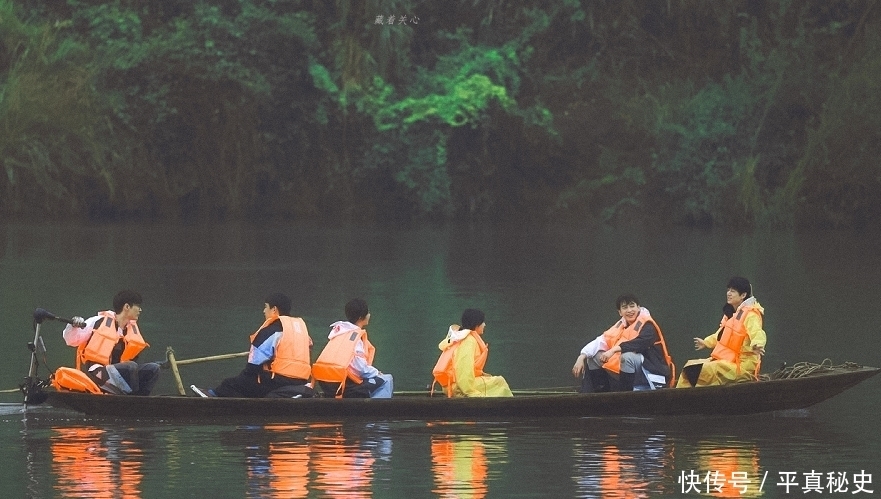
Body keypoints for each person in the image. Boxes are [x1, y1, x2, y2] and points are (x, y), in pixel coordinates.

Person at [191, 293, 313, 398]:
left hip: (276, 382)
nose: (264, 311)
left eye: (266, 307)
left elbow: (253, 366)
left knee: (229, 384)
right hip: (301, 381)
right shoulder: (302, 332)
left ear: (274, 309)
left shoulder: (271, 331)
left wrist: (241, 381)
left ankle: (213, 394)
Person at [62, 289, 160, 395]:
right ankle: (132, 400)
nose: (140, 310)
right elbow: (71, 340)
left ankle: (141, 399)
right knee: (131, 366)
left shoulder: (131, 329)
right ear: (127, 307)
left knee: (154, 368)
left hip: (120, 374)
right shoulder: (98, 321)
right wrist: (73, 326)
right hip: (97, 373)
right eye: (137, 306)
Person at [571, 294, 673, 392]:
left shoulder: (648, 324)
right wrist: (582, 356)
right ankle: (601, 394)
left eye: (632, 306)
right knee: (595, 356)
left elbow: (639, 343)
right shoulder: (621, 325)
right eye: (625, 308)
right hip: (628, 373)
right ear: (620, 312)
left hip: (654, 372)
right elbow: (600, 341)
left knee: (627, 357)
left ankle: (624, 396)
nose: (629, 310)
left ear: (638, 307)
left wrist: (613, 350)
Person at [676, 277, 766, 388]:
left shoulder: (751, 315)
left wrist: (757, 344)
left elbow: (757, 332)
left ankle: (697, 399)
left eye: (733, 291)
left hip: (742, 368)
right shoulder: (731, 314)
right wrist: (706, 342)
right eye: (728, 290)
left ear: (743, 295)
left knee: (705, 370)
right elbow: (720, 335)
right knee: (690, 366)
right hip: (727, 362)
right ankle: (678, 399)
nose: (728, 293)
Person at [312, 298, 393, 398]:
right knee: (387, 379)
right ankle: (376, 412)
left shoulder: (339, 332)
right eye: (368, 313)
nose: (369, 315)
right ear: (360, 317)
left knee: (373, 378)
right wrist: (377, 373)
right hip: (343, 387)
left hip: (327, 384)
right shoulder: (355, 337)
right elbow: (360, 369)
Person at [432, 308, 513, 397]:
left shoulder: (460, 337)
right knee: (500, 382)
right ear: (476, 324)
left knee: (491, 379)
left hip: (452, 385)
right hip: (458, 388)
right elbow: (463, 370)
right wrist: (470, 393)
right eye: (482, 322)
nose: (484, 325)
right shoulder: (469, 341)